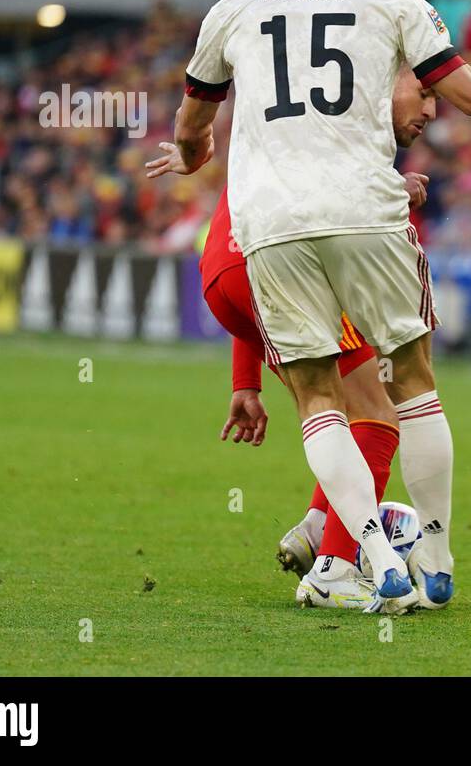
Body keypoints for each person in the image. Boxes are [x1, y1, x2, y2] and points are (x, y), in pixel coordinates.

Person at [151, 0, 471, 611]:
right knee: (412, 382)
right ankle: (434, 557)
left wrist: (192, 150)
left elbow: (189, 126)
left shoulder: (232, 10)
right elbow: (470, 97)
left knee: (317, 400)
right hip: (366, 211)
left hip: (269, 229)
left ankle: (362, 554)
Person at [153, 67, 433, 609]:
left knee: (337, 408)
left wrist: (245, 381)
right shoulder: (351, 107)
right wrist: (389, 190)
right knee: (376, 415)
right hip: (274, 266)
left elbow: (267, 237)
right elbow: (316, 202)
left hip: (225, 272)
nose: (429, 112)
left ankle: (317, 526)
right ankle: (335, 566)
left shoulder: (287, 93)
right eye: (424, 95)